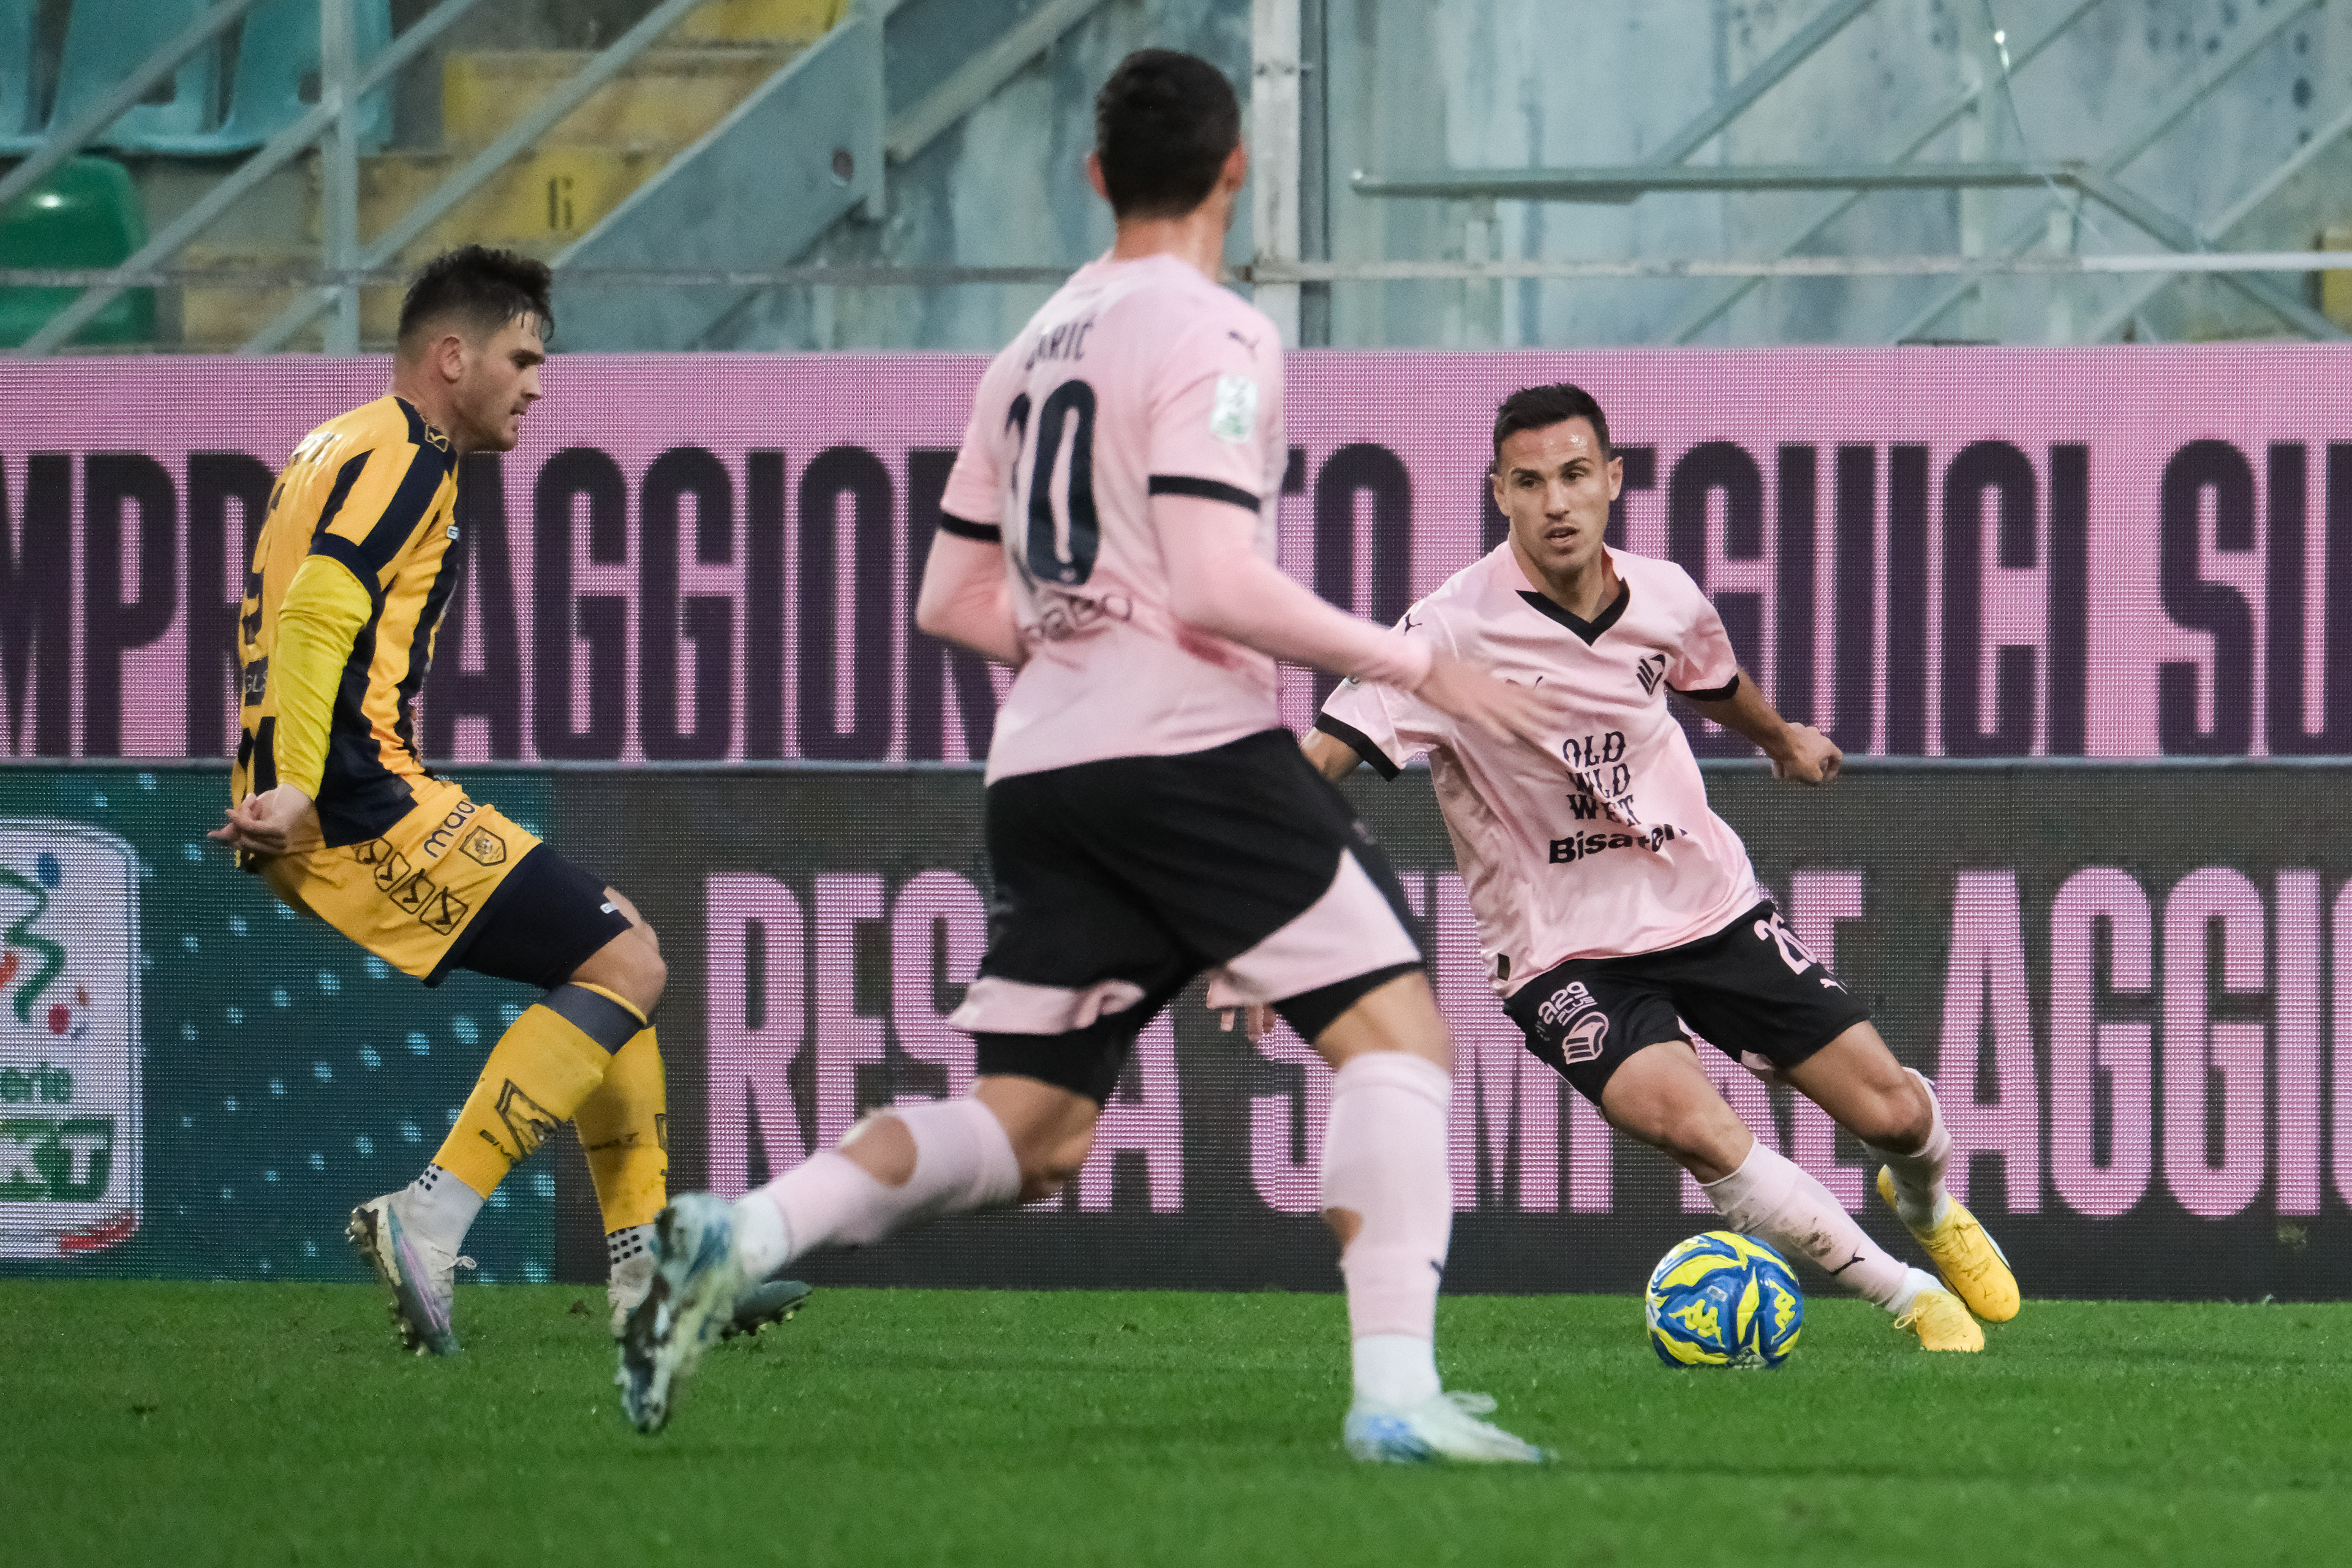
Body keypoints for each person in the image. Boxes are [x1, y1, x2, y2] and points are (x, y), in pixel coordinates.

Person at [619, 50, 1558, 1463]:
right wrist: (1424, 661)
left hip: (1044, 775)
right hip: (1185, 749)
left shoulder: (1028, 350)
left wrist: (1079, 640)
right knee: (1398, 1040)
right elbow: (1216, 582)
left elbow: (948, 600)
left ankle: (741, 1229)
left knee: (1033, 1129)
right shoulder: (1217, 332)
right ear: (1235, 169)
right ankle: (1397, 1398)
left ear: (1096, 175)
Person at [1305, 382, 2019, 1352]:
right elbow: (1322, 761)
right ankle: (1910, 1299)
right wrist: (1276, 912)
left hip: (1706, 906)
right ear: (1498, 494)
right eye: (1529, 483)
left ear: (1612, 480)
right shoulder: (1446, 632)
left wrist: (1779, 741)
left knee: (1893, 1112)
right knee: (1697, 1127)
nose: (1555, 503)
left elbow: (1711, 681)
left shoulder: (1667, 595)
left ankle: (1929, 1203)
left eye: (1573, 476)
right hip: (1562, 954)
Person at [213, 246, 799, 1353]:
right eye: (522, 358)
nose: (537, 384)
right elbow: (320, 612)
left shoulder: (332, 444)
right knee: (631, 962)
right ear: (451, 357)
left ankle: (650, 1274)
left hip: (334, 787)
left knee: (614, 949)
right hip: (351, 795)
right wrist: (299, 786)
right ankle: (430, 1217)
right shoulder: (407, 457)